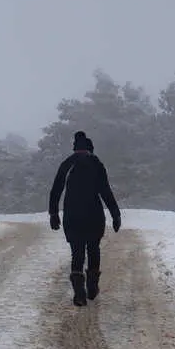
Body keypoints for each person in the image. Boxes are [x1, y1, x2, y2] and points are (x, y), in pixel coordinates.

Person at [48, 130, 122, 306]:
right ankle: (92, 286)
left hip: (72, 216)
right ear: (90, 149)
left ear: (75, 148)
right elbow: (105, 190)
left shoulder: (67, 164)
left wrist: (53, 213)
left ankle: (79, 292)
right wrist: (115, 214)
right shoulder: (96, 163)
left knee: (77, 252)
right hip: (94, 215)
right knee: (93, 248)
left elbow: (56, 189)